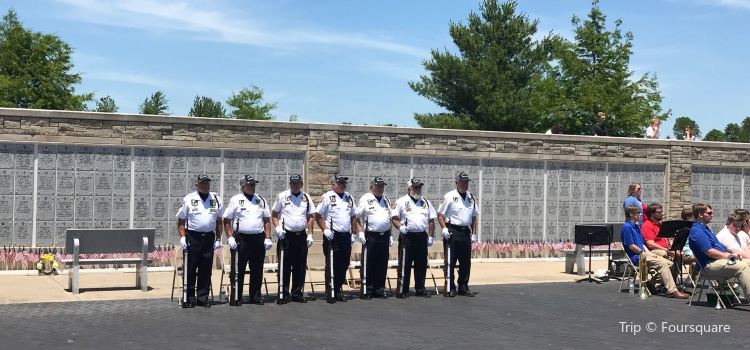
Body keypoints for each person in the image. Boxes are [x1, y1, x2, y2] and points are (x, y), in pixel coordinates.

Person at [222, 175, 273, 305]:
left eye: (254, 184)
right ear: (243, 186)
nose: (253, 187)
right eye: (250, 185)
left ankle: (255, 295)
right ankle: (237, 295)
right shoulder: (236, 200)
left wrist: (267, 237)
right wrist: (230, 237)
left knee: (257, 269)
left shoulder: (260, 199)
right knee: (239, 269)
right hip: (241, 238)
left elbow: (266, 219)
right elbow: (227, 220)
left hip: (257, 238)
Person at [176, 174, 224, 308]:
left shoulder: (215, 199)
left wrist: (218, 239)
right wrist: (182, 237)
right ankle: (189, 297)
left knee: (206, 269)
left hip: (209, 237)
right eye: (203, 183)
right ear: (197, 185)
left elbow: (219, 221)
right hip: (193, 236)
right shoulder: (189, 199)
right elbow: (181, 220)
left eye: (207, 183)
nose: (206, 185)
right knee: (191, 268)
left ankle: (203, 298)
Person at [621, 205, 688, 299]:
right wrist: (643, 253)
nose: (640, 215)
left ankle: (651, 283)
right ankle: (673, 290)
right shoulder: (627, 227)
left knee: (671, 264)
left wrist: (650, 253)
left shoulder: (636, 226)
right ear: (631, 214)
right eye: (638, 213)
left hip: (644, 254)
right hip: (637, 257)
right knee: (663, 263)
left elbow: (642, 244)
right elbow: (631, 246)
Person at [688, 203, 750, 298]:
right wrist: (728, 256)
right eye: (709, 213)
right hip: (708, 265)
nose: (712, 214)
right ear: (700, 214)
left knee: (748, 262)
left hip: (717, 260)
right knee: (742, 267)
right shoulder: (697, 231)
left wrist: (730, 255)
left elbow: (716, 249)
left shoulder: (705, 228)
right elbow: (709, 251)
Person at [271, 174, 315, 304]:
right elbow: (274, 214)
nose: (294, 185)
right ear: (289, 184)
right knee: (284, 266)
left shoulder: (306, 197)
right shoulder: (282, 196)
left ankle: (297, 293)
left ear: (301, 184)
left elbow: (310, 216)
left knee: (300, 266)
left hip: (301, 236)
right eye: (292, 183)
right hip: (286, 236)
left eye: (297, 183)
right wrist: (278, 228)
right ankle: (283, 293)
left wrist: (310, 233)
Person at [315, 174, 358, 303]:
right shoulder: (328, 197)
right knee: (332, 265)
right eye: (341, 183)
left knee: (344, 264)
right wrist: (325, 229)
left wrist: (354, 232)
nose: (344, 185)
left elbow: (353, 216)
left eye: (344, 183)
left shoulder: (349, 197)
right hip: (332, 235)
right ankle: (331, 291)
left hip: (345, 236)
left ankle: (338, 288)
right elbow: (318, 215)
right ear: (334, 185)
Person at [392, 177, 436, 298]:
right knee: (405, 264)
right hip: (408, 237)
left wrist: (431, 236)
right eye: (416, 187)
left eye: (419, 187)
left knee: (421, 264)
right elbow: (394, 218)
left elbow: (431, 220)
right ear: (409, 188)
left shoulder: (425, 202)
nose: (418, 189)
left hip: (421, 236)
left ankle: (420, 288)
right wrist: (400, 227)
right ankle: (403, 289)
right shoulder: (401, 201)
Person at [438, 171, 478, 297]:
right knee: (450, 260)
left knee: (466, 261)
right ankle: (450, 286)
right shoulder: (449, 196)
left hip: (465, 232)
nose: (465, 184)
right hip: (452, 231)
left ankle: (463, 286)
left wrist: (474, 233)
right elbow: (440, 215)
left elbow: (474, 217)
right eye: (463, 182)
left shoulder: (470, 197)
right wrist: (444, 228)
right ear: (457, 182)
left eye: (467, 182)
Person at [355, 176, 393, 299]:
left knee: (382, 263)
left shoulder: (386, 199)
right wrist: (360, 232)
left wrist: (391, 234)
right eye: (378, 186)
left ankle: (379, 289)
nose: (381, 188)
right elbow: (357, 217)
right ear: (372, 187)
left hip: (384, 236)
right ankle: (367, 289)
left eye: (382, 186)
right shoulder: (366, 199)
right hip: (371, 236)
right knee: (369, 263)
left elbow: (389, 218)